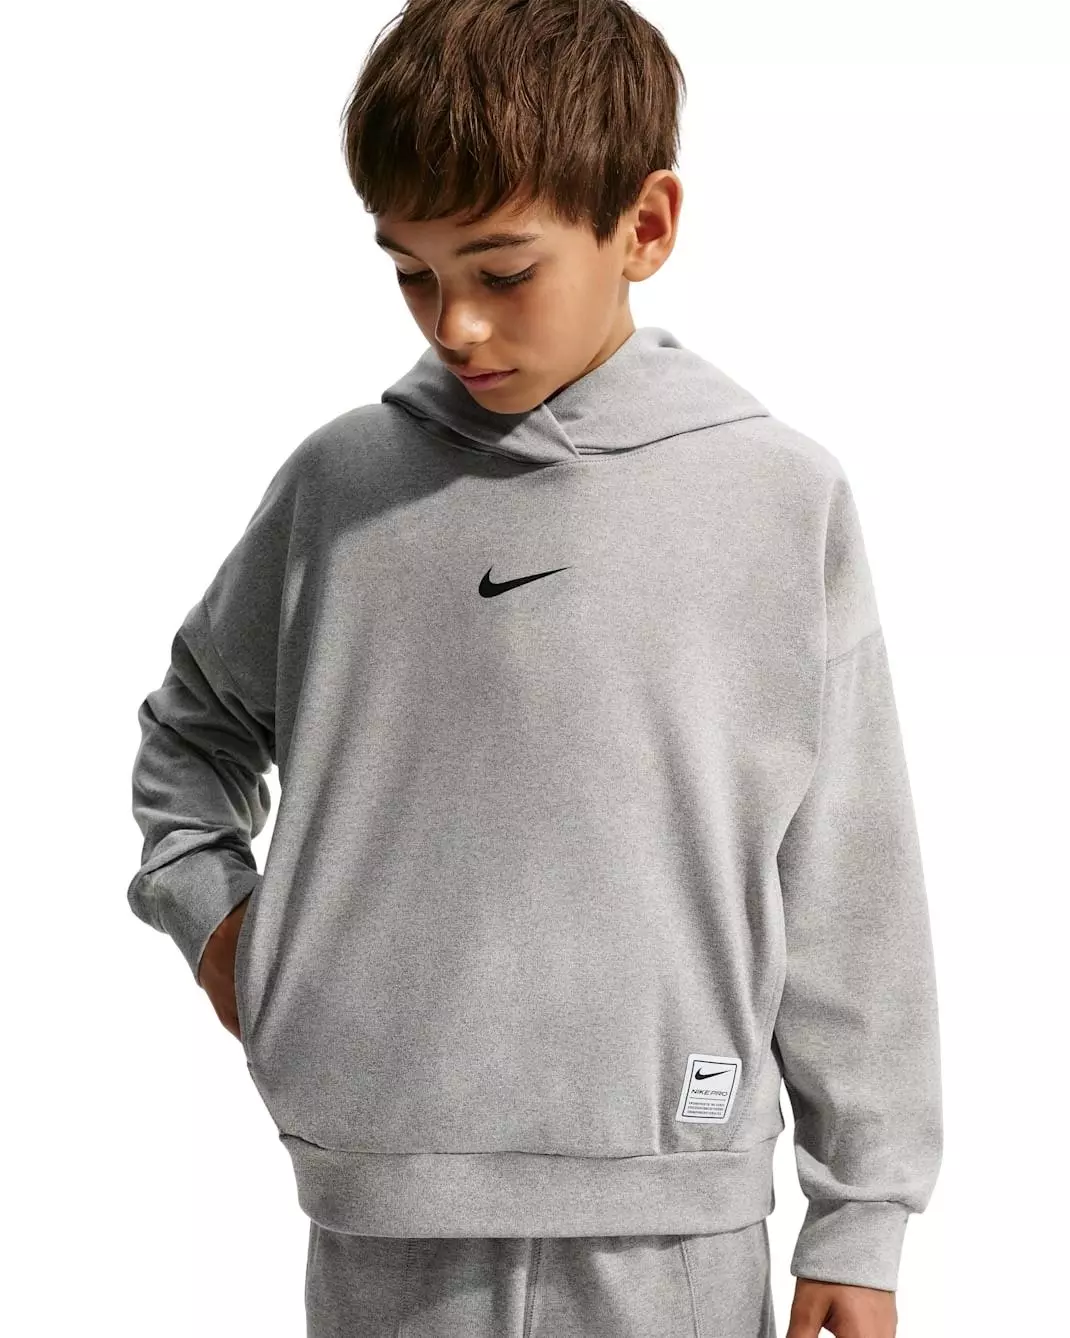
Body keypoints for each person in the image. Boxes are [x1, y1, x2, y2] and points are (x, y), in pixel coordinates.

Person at [126, 2, 943, 1335]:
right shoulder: (343, 483)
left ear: (645, 225)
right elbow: (191, 732)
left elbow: (850, 869)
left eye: (502, 271)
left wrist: (862, 1212)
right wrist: (221, 922)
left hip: (672, 1218)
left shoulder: (777, 498)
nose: (454, 323)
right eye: (412, 271)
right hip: (384, 1209)